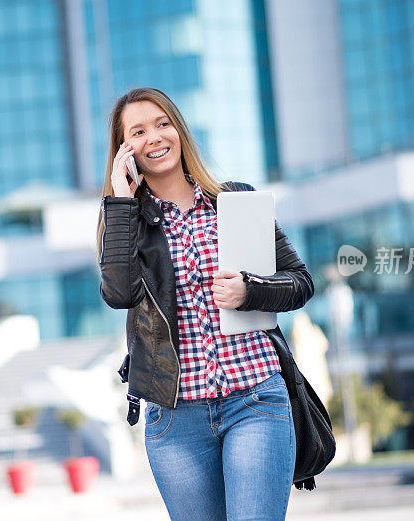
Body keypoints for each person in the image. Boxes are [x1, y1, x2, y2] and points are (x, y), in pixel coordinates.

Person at [97, 87, 314, 521]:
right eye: (138, 131)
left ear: (179, 130)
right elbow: (119, 294)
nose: (154, 137)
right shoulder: (126, 222)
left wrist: (250, 290)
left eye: (162, 124)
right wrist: (121, 201)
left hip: (256, 400)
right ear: (124, 150)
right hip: (177, 420)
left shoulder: (233, 200)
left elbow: (300, 282)